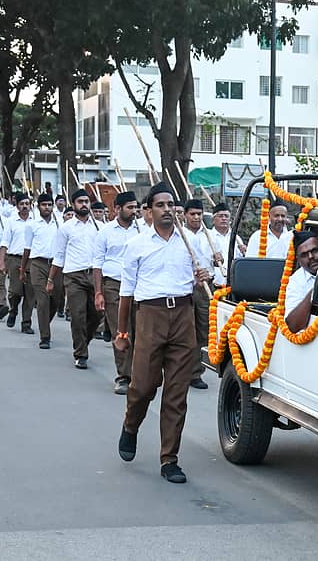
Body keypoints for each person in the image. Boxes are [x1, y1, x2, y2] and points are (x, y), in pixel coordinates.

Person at [116, 182, 210, 484]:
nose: (168, 210)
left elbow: (203, 278)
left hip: (183, 317)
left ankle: (169, 458)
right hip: (150, 317)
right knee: (142, 386)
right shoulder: (137, 245)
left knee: (176, 393)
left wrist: (204, 276)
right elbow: (127, 293)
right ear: (148, 211)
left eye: (172, 205)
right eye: (161, 205)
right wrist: (122, 331)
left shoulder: (189, 243)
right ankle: (131, 426)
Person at [92, 191, 140, 394]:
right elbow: (97, 263)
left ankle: (138, 375)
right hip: (113, 286)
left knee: (139, 331)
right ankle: (123, 376)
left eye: (136, 207)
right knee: (121, 330)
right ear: (117, 209)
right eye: (130, 207)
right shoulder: (105, 232)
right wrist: (98, 292)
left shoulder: (141, 231)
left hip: (138, 287)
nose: (134, 211)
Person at [49, 189, 103, 369]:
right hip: (74, 276)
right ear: (73, 204)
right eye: (80, 201)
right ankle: (80, 353)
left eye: (87, 201)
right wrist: (51, 279)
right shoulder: (66, 228)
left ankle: (83, 342)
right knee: (78, 315)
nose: (84, 205)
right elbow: (59, 256)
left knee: (96, 315)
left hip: (95, 275)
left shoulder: (100, 227)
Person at [183, 199, 219, 390]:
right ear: (185, 215)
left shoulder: (210, 236)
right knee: (186, 330)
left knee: (204, 329)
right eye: (192, 214)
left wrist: (216, 259)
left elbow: (215, 260)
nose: (196, 217)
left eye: (199, 214)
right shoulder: (180, 235)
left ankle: (196, 372)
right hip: (187, 287)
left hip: (207, 287)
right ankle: (181, 368)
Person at [23, 193, 63, 350]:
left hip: (57, 265)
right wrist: (23, 268)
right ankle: (45, 336)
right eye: (44, 205)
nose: (47, 207)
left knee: (56, 300)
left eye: (49, 205)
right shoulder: (32, 225)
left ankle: (45, 322)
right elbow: (27, 248)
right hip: (38, 264)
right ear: (38, 206)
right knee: (43, 299)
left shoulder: (60, 224)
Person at [0, 193, 35, 333]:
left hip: (32, 260)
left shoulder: (35, 221)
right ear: (17, 206)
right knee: (15, 291)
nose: (25, 206)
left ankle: (26, 323)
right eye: (22, 204)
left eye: (27, 203)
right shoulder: (11, 222)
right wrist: (2, 262)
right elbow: (5, 243)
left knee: (30, 294)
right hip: (15, 259)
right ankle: (13, 310)